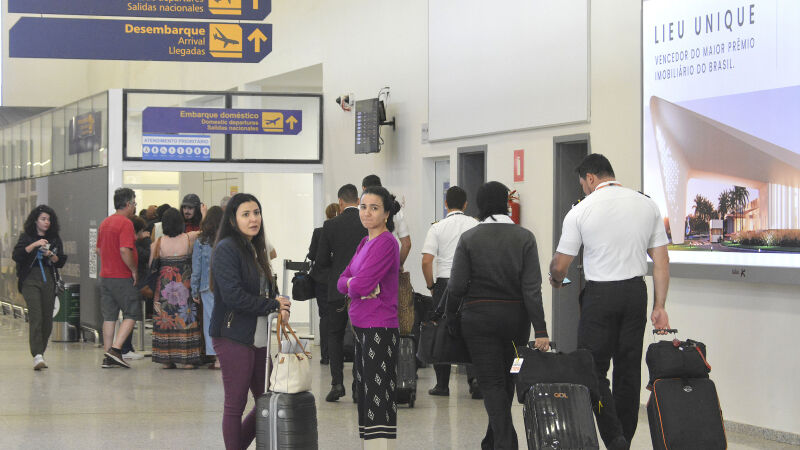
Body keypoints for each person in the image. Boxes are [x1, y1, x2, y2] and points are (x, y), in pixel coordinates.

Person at [549, 153, 671, 450]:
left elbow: (561, 266)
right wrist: (660, 306)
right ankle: (624, 437)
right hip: (634, 294)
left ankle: (613, 435)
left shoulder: (581, 211)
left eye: (583, 185)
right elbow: (661, 262)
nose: (584, 190)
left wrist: (557, 280)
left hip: (600, 296)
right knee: (628, 371)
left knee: (592, 370)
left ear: (590, 178)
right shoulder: (647, 204)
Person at [448, 181, 549, 450]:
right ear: (506, 202)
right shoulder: (525, 237)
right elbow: (532, 290)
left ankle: (505, 442)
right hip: (516, 322)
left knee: (491, 382)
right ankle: (492, 440)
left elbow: (456, 286)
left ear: (480, 205)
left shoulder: (469, 238)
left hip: (478, 321)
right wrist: (541, 330)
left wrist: (448, 316)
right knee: (508, 378)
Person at [209, 193, 291, 450]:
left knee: (266, 399)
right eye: (246, 214)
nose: (253, 219)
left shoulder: (255, 248)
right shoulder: (226, 249)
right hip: (232, 334)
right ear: (233, 220)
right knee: (235, 403)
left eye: (256, 213)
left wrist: (280, 303)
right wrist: (271, 305)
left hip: (259, 335)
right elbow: (234, 296)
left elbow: (265, 290)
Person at [337, 186, 401, 447]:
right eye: (363, 207)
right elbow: (342, 281)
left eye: (374, 208)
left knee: (378, 396)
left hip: (380, 326)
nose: (367, 212)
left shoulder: (386, 242)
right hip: (361, 325)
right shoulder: (365, 242)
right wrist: (357, 285)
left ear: (386, 213)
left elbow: (360, 285)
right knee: (364, 395)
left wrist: (357, 285)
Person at [420, 186, 481, 398]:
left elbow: (427, 261)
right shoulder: (476, 225)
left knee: (442, 331)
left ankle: (442, 385)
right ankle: (474, 381)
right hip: (470, 284)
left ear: (446, 204)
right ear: (465, 204)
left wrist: (431, 286)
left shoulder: (437, 228)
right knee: (472, 331)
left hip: (445, 283)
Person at [315, 184, 368, 402]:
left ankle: (337, 383)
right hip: (363, 289)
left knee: (334, 335)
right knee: (360, 337)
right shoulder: (367, 223)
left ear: (340, 202)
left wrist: (335, 279)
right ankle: (358, 385)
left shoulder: (330, 226)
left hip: (338, 289)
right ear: (357, 200)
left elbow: (321, 262)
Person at [12, 205, 67, 370]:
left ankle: (40, 353)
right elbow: (17, 255)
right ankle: (36, 354)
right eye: (43, 219)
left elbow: (61, 261)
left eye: (49, 219)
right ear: (35, 220)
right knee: (36, 316)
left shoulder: (55, 238)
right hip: (30, 280)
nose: (46, 222)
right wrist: (35, 245)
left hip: (48, 280)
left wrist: (51, 254)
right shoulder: (27, 237)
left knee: (46, 320)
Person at [150, 208, 203, 369]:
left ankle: (166, 359)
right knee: (185, 319)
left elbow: (151, 266)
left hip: (165, 287)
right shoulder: (190, 238)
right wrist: (204, 212)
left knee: (165, 320)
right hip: (184, 286)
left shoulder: (158, 242)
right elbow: (208, 229)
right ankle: (187, 359)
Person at [96, 188, 141, 369]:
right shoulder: (126, 224)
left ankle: (108, 355)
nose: (135, 207)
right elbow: (124, 249)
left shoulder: (105, 223)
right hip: (121, 276)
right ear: (128, 204)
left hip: (105, 276)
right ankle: (116, 349)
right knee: (132, 312)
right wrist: (133, 269)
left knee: (109, 316)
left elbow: (98, 250)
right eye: (134, 203)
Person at [307, 202, 341, 365]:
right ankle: (340, 354)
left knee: (324, 316)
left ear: (327, 214)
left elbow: (312, 255)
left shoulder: (319, 232)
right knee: (341, 315)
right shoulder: (343, 231)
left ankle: (325, 355)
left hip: (321, 279)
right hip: (339, 280)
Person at [192, 205, 224, 369]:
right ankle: (227, 354)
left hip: (207, 286)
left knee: (211, 321)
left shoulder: (201, 240)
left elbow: (196, 268)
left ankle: (217, 357)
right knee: (226, 319)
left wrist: (194, 289)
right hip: (226, 284)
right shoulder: (227, 239)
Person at [362, 175, 411, 269]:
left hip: (369, 265)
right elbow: (407, 244)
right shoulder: (395, 208)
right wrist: (399, 265)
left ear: (364, 189)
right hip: (390, 263)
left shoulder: (364, 212)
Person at [119, 216, 150, 361]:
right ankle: (125, 347)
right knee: (130, 315)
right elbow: (146, 256)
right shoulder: (134, 244)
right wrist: (146, 240)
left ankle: (126, 347)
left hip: (128, 281)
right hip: (135, 282)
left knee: (128, 315)